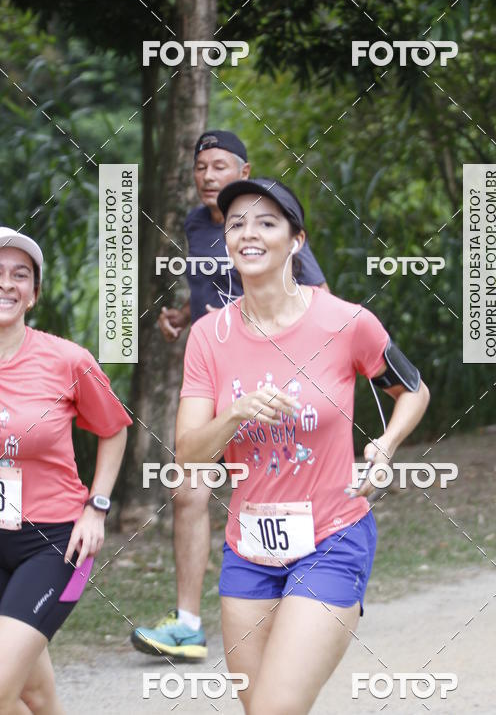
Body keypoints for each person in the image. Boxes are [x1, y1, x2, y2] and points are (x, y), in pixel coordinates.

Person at [174, 178, 430, 714]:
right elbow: (188, 454)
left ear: (296, 240)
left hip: (332, 540)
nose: (248, 233)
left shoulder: (345, 321)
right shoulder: (208, 336)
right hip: (248, 551)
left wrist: (384, 445)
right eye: (237, 223)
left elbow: (412, 390)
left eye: (266, 222)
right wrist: (237, 412)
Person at [132, 130, 327, 661]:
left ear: (243, 171)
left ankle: (313, 597)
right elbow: (210, 296)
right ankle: (189, 624)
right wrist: (182, 317)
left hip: (270, 380)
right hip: (215, 374)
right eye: (200, 167)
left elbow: (319, 300)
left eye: (220, 166)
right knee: (186, 487)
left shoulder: (268, 223)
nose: (207, 176)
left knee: (279, 485)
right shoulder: (197, 225)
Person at [0, 227, 131, 714]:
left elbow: (114, 429)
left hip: (55, 542)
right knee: (31, 693)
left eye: (20, 275)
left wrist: (96, 508)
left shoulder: (66, 360)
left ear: (33, 294)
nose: (8, 284)